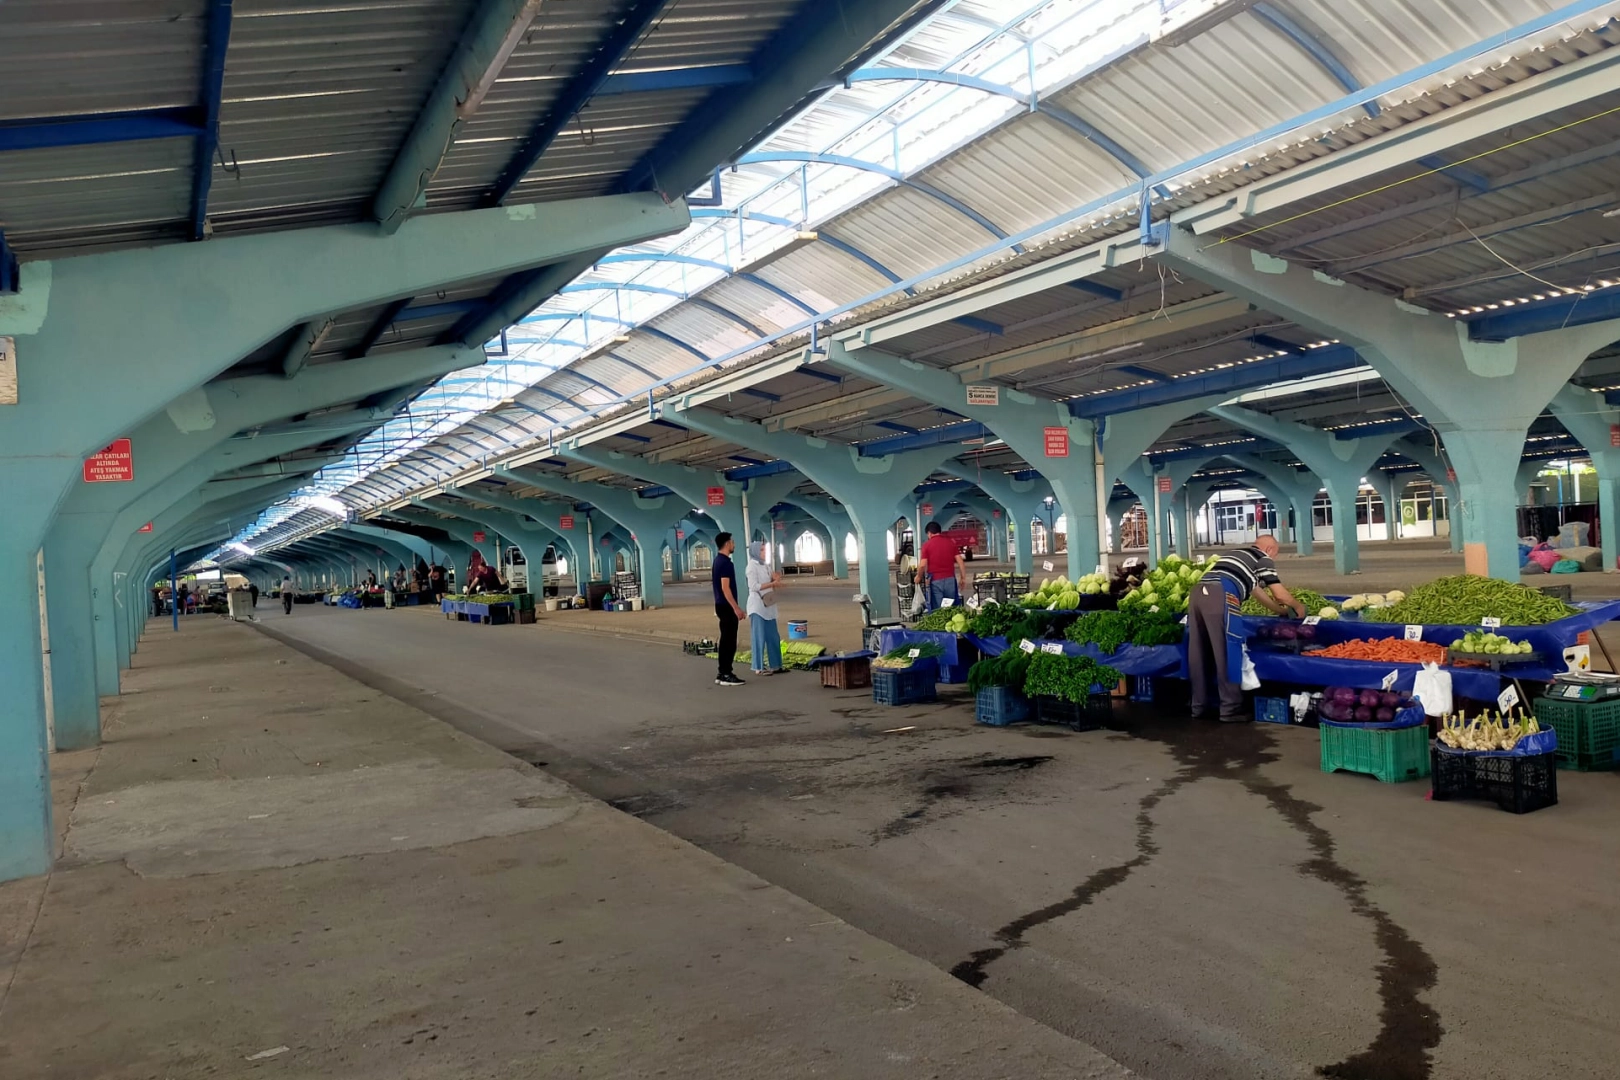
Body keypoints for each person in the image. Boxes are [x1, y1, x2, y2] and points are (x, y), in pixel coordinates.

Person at [1187, 535, 1306, 722]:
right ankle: (1230, 709)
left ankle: (1198, 707)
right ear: (1270, 550)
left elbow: (1257, 592)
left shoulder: (1236, 554)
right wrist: (1298, 607)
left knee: (1198, 651)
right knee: (1227, 650)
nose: (1274, 558)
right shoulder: (1262, 558)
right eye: (1275, 554)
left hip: (1197, 595)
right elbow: (1279, 594)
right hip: (1220, 594)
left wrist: (1280, 611)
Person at [745, 540, 785, 676]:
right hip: (757, 606)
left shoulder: (765, 565)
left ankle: (776, 665)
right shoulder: (751, 567)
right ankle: (758, 667)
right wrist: (772, 584)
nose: (764, 552)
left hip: (768, 605)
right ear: (755, 552)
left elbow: (772, 577)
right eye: (762, 550)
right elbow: (753, 586)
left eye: (765, 549)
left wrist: (776, 577)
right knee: (759, 637)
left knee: (773, 636)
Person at [711, 532, 745, 687]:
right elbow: (726, 588)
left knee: (725, 640)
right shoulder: (725, 563)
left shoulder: (717, 561)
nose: (734, 544)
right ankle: (726, 674)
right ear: (727, 544)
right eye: (732, 542)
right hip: (726, 606)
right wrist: (736, 608)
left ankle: (722, 672)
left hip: (720, 605)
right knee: (729, 641)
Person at [915, 521, 966, 612]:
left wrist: (918, 576)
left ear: (929, 533)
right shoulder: (950, 542)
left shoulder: (927, 545)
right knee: (950, 608)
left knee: (938, 610)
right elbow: (960, 561)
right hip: (950, 579)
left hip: (935, 581)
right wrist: (963, 578)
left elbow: (922, 565)